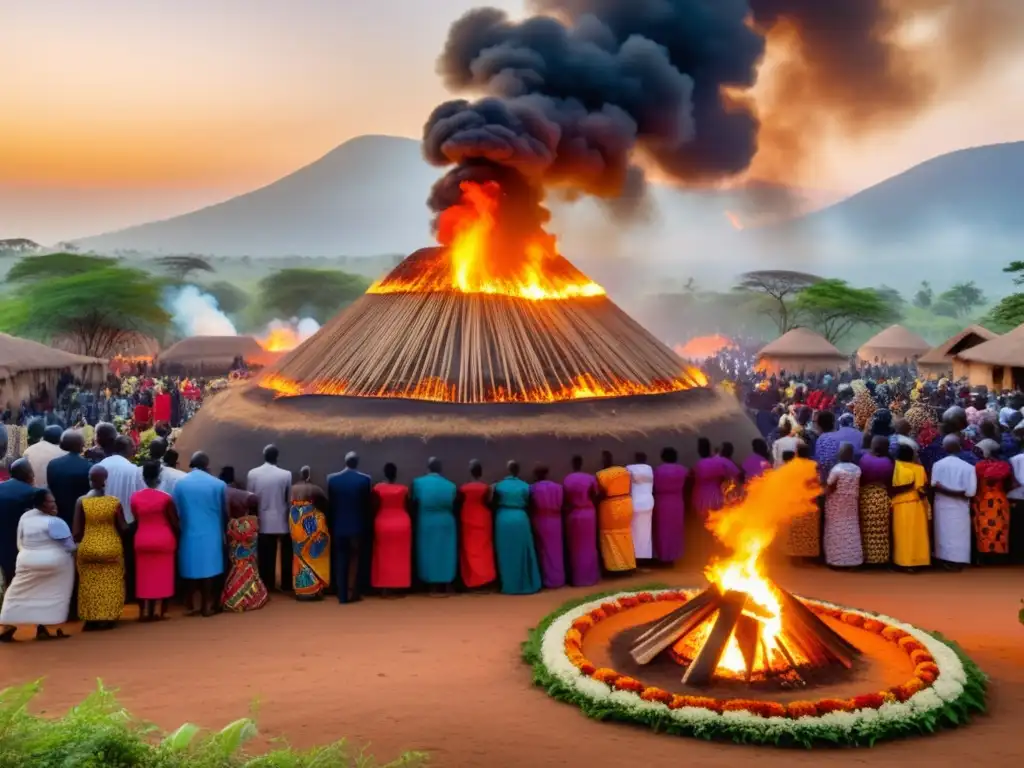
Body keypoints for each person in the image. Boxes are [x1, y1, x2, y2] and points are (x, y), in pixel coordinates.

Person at [0, 489, 76, 642]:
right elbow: (69, 546)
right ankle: (49, 627)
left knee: (17, 594)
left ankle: (8, 625)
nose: (54, 505)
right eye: (51, 502)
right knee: (53, 594)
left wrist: (27, 555)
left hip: (26, 561)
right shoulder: (55, 522)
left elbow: (19, 541)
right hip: (54, 564)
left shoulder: (26, 517)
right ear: (42, 504)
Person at [172, 452, 227, 616]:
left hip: (189, 531)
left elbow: (176, 508)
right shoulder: (218, 484)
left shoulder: (180, 484)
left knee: (191, 567)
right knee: (210, 569)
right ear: (207, 464)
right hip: (212, 532)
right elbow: (224, 511)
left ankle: (191, 604)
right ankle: (206, 606)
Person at [73, 466, 126, 631]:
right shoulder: (114, 502)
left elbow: (76, 531)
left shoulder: (81, 501)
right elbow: (123, 528)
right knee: (111, 581)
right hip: (111, 546)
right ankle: (108, 616)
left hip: (89, 546)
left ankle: (91, 618)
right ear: (105, 480)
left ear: (90, 479)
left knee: (90, 583)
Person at [97, 435, 144, 602]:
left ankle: (108, 594)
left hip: (103, 519)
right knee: (129, 559)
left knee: (108, 561)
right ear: (127, 449)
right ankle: (129, 594)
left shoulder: (100, 466)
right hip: (129, 521)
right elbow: (141, 496)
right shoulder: (134, 470)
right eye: (133, 448)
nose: (134, 451)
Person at [131, 462, 178, 621]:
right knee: (163, 576)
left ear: (143, 477)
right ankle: (160, 611)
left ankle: (144, 612)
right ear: (159, 477)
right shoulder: (166, 498)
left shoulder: (135, 497)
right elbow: (173, 521)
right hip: (163, 539)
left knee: (143, 577)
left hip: (142, 539)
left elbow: (137, 518)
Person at [326, 451, 372, 603]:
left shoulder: (332, 479)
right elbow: (366, 506)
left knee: (341, 559)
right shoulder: (365, 480)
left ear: (345, 462)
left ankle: (342, 595)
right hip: (357, 526)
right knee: (355, 560)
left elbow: (331, 505)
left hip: (339, 526)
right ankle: (354, 592)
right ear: (357, 463)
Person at [247, 445, 293, 593]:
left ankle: (267, 585)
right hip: (281, 519)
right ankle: (286, 584)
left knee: (266, 554)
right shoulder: (286, 474)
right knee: (285, 553)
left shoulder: (253, 474)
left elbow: (250, 498)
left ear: (264, 455)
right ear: (277, 457)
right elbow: (288, 498)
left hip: (262, 519)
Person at [492, 461, 542, 595]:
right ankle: (526, 582)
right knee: (522, 552)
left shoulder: (499, 486)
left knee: (506, 552)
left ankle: (509, 584)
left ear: (508, 470)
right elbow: (530, 503)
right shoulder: (525, 486)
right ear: (518, 471)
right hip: (520, 517)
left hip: (503, 519)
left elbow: (493, 501)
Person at [221, 473, 268, 613]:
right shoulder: (253, 522)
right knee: (250, 569)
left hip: (237, 555)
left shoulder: (233, 524)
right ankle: (253, 598)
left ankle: (236, 599)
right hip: (249, 556)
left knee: (236, 570)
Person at [410, 457, 458, 594]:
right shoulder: (451, 485)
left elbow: (414, 500)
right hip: (447, 522)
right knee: (446, 552)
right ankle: (446, 583)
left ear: (428, 468)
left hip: (426, 522)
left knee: (428, 552)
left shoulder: (418, 483)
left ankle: (431, 585)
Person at [932, 434, 978, 570]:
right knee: (959, 535)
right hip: (960, 508)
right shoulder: (969, 467)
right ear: (959, 447)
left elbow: (935, 486)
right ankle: (958, 562)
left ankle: (944, 560)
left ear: (944, 448)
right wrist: (957, 492)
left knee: (943, 533)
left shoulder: (937, 465)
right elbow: (970, 493)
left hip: (942, 506)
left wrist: (944, 489)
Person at [290, 466, 331, 600]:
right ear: (309, 476)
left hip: (295, 519)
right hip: (309, 520)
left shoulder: (293, 488)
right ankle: (313, 589)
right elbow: (325, 501)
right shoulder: (314, 488)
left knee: (298, 553)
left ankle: (300, 589)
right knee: (313, 553)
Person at [371, 463, 412, 595]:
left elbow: (374, 506)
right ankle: (399, 584)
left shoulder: (378, 488)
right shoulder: (403, 489)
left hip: (383, 522)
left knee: (383, 555)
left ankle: (384, 586)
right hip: (402, 523)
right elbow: (408, 505)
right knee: (400, 556)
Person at [890, 444, 931, 571]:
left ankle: (902, 562)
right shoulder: (919, 469)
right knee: (917, 534)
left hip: (900, 505)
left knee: (902, 535)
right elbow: (923, 490)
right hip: (917, 504)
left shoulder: (895, 467)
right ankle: (919, 561)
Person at [456, 460, 495, 590]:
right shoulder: (486, 487)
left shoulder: (463, 488)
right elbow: (489, 502)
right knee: (484, 548)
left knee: (470, 549)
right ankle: (486, 579)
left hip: (467, 517)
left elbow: (459, 502)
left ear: (470, 472)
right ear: (481, 473)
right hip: (483, 519)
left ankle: (473, 580)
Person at [823, 443, 864, 568]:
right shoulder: (857, 469)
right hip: (851, 502)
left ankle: (836, 560)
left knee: (836, 528)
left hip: (837, 503)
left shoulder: (836, 469)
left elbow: (830, 486)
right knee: (851, 528)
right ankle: (853, 560)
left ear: (840, 454)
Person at [562, 455, 600, 587]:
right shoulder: (590, 478)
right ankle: (590, 577)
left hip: (574, 514)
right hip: (589, 514)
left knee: (575, 546)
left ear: (572, 464)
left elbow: (565, 499)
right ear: (582, 463)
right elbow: (595, 495)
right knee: (589, 545)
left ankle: (577, 578)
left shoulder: (567, 479)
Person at [595, 451, 635, 573]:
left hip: (611, 507)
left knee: (610, 536)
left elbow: (600, 493)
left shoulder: (601, 475)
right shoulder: (624, 471)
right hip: (627, 503)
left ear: (603, 461)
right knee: (626, 535)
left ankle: (615, 567)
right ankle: (629, 564)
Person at [857, 435, 894, 566]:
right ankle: (881, 559)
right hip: (882, 497)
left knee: (866, 529)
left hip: (866, 497)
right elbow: (890, 482)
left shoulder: (864, 460)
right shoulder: (888, 462)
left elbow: (860, 480)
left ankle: (866, 558)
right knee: (882, 531)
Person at [972, 442, 1012, 564]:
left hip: (983, 499)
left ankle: (983, 557)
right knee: (1000, 528)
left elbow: (976, 482)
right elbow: (1010, 484)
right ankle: (999, 557)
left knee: (983, 528)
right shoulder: (1005, 466)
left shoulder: (979, 466)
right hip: (999, 499)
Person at [0, 460, 38, 587]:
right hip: (23, 542)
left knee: (8, 576)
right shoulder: (32, 493)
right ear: (29, 474)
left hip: (3, 541)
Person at [46, 430, 91, 529]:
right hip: (82, 519)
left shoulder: (53, 465)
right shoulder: (88, 466)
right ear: (81, 445)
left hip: (59, 517)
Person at [529, 464, 565, 589]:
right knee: (556, 550)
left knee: (543, 550)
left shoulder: (533, 488)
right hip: (556, 520)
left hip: (541, 519)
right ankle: (558, 579)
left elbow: (531, 504)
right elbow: (561, 503)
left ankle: (547, 580)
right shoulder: (557, 487)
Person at [652, 447, 687, 563]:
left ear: (663, 457)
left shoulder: (657, 470)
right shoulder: (683, 470)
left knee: (662, 530)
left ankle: (663, 556)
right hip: (677, 502)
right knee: (676, 530)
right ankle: (675, 556)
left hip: (662, 502)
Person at [691, 438, 737, 519]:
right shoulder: (717, 463)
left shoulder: (698, 465)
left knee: (704, 522)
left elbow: (691, 476)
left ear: (699, 450)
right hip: (716, 497)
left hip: (701, 497)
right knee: (716, 522)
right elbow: (726, 477)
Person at [625, 453, 654, 562]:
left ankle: (634, 558)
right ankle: (644, 558)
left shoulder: (630, 468)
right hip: (648, 503)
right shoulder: (649, 469)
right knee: (646, 532)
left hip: (635, 503)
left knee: (634, 532)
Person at [23, 425, 66, 489]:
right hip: (52, 494)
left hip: (29, 491)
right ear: (61, 439)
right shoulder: (64, 454)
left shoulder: (28, 451)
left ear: (43, 437)